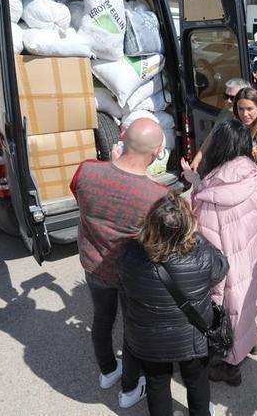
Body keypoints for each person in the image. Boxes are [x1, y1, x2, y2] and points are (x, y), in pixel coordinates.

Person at [69, 118, 169, 407]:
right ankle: (129, 388)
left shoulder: (87, 170)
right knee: (132, 327)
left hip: (93, 264)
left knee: (102, 318)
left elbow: (80, 198)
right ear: (158, 151)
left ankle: (107, 370)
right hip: (132, 274)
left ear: (122, 137)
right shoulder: (157, 196)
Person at [117, 195, 228, 416]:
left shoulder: (130, 251)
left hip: (147, 338)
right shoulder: (201, 252)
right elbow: (221, 268)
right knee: (196, 379)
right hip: (193, 335)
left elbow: (122, 282)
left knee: (156, 382)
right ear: (187, 227)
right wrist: (202, 239)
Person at [192, 119, 257, 387]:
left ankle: (230, 367)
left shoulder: (208, 190)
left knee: (225, 311)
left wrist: (195, 187)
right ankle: (250, 343)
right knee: (247, 303)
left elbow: (201, 238)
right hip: (251, 258)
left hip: (222, 266)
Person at [190, 78, 249, 171]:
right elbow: (212, 135)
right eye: (226, 96)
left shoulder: (247, 120)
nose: (228, 101)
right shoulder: (225, 112)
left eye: (233, 98)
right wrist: (197, 160)